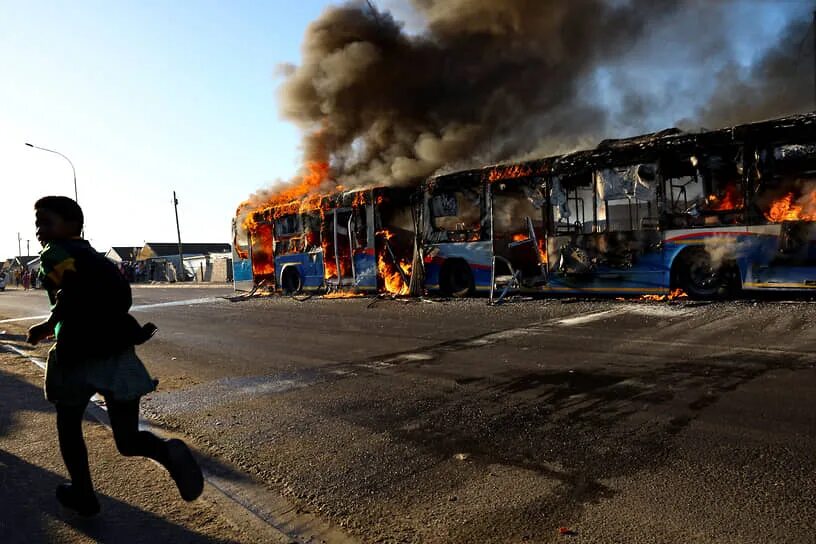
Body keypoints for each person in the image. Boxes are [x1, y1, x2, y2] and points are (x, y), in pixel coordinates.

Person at [26, 196, 203, 517]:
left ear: (71, 226)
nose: (39, 229)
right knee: (128, 439)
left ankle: (83, 493)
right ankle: (166, 452)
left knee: (68, 426)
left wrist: (48, 325)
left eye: (45, 222)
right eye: (38, 222)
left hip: (76, 356)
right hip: (117, 354)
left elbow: (70, 291)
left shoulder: (54, 255)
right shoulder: (97, 258)